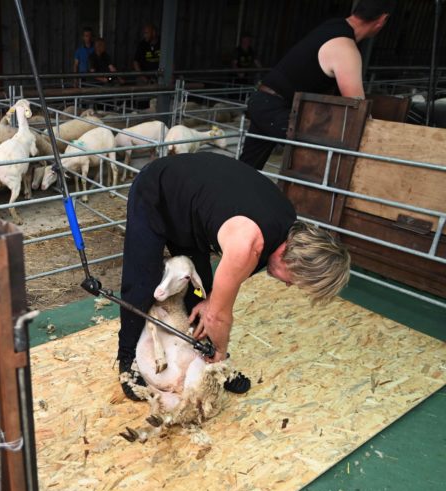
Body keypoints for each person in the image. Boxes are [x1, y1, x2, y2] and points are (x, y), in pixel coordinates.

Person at [117, 153, 351, 400]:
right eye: (293, 280)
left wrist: (212, 303)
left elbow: (216, 304)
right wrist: (222, 350)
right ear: (292, 259)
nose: (287, 284)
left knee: (202, 291)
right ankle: (127, 361)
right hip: (157, 191)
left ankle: (203, 359)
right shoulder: (249, 244)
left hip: (191, 210)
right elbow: (218, 316)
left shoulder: (285, 229)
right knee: (142, 282)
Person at [239, 0, 395, 170]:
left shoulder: (333, 25)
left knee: (248, 166)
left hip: (263, 99)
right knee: (319, 152)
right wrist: (377, 138)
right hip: (276, 109)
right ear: (382, 19)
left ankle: (231, 191)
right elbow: (357, 106)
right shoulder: (346, 49)